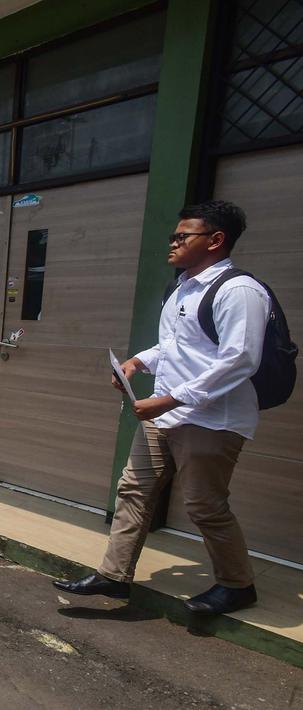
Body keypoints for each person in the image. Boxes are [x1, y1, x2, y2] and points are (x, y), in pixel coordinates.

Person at [54, 201, 271, 615]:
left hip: (210, 419)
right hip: (164, 414)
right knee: (133, 490)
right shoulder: (182, 288)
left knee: (205, 506)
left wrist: (171, 399)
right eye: (173, 235)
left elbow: (240, 359)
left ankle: (238, 585)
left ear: (216, 240)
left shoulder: (239, 291)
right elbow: (174, 346)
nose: (172, 242)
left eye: (182, 236)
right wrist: (137, 363)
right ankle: (114, 575)